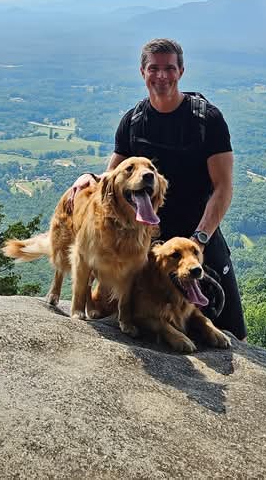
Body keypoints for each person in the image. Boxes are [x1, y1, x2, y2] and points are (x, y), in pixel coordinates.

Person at [104, 37, 246, 341]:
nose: (161, 76)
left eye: (169, 68)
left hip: (199, 237)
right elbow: (111, 181)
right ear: (142, 72)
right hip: (147, 245)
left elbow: (223, 187)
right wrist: (85, 179)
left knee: (231, 330)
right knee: (127, 318)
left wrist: (202, 239)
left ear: (181, 71)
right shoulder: (132, 123)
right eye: (154, 68)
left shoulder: (207, 120)